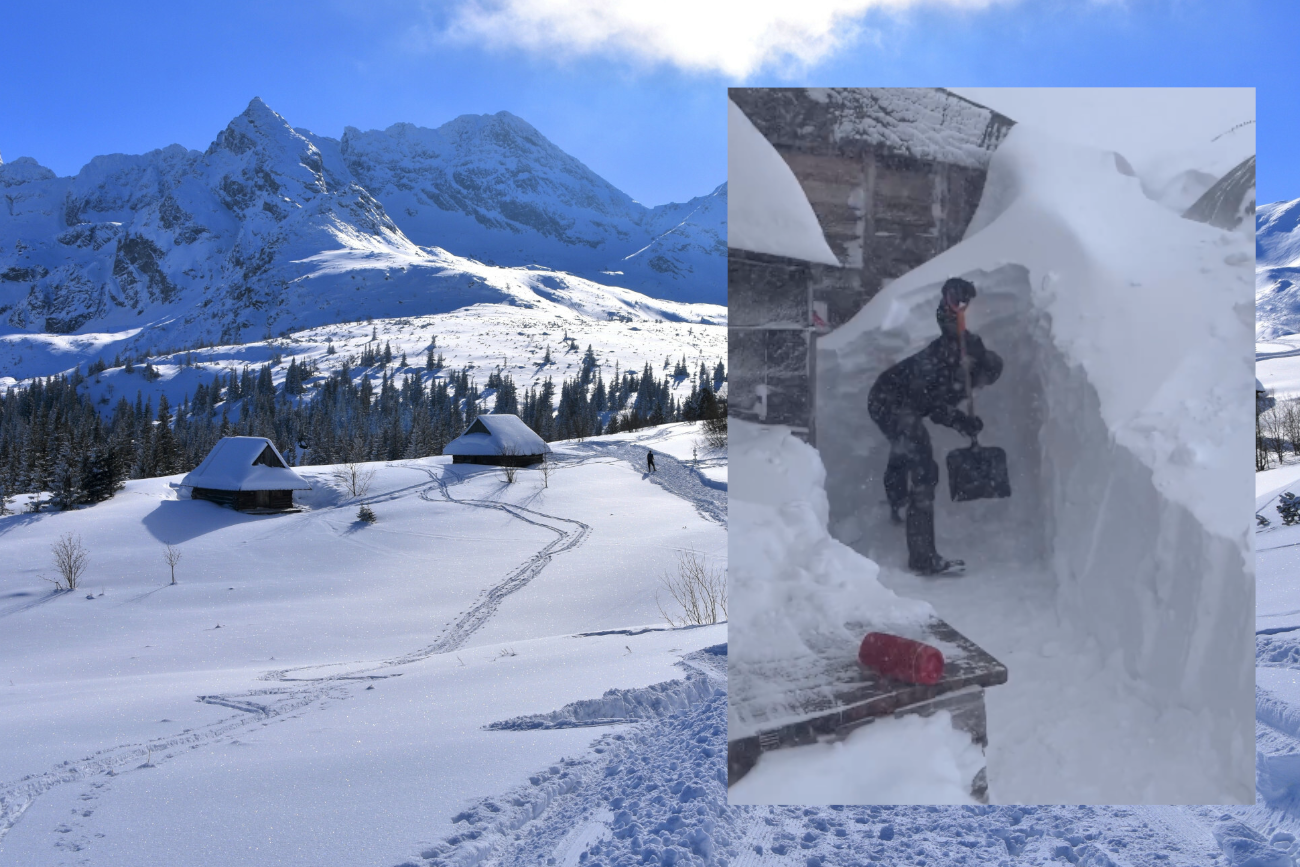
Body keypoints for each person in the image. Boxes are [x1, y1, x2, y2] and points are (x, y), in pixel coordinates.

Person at [867, 277, 1003, 575]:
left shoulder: (963, 369)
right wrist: (951, 299)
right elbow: (934, 405)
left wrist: (964, 422)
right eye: (983, 380)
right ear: (979, 370)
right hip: (889, 399)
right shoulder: (953, 352)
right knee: (923, 466)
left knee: (906, 447)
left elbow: (937, 407)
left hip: (902, 401)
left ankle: (897, 503)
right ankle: (922, 556)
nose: (981, 387)